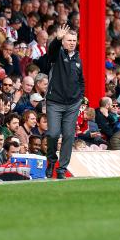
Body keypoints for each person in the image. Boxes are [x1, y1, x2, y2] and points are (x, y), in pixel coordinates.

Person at [45, 25, 85, 179]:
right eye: (69, 40)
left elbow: (81, 81)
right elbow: (51, 51)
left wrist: (80, 96)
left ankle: (61, 169)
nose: (72, 43)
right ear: (63, 41)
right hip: (55, 102)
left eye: (74, 40)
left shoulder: (78, 58)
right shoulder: (57, 54)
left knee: (69, 136)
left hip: (73, 104)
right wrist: (57, 39)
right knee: (53, 134)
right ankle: (51, 161)